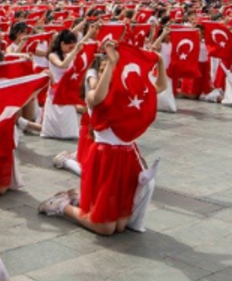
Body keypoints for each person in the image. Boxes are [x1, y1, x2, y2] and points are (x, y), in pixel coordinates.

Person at [39, 40, 167, 236]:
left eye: (114, 67)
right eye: (106, 68)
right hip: (105, 157)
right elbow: (98, 98)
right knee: (105, 228)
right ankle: (61, 205)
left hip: (127, 158)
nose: (112, 70)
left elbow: (160, 86)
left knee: (121, 224)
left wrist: (159, 62)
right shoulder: (93, 94)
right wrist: (112, 63)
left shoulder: (126, 94)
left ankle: (78, 198)